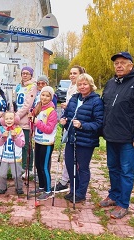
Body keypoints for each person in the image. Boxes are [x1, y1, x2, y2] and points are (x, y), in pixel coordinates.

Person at [100, 52, 134, 219]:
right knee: (113, 168)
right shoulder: (110, 84)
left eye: (122, 63)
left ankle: (123, 203)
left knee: (126, 171)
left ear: (131, 65)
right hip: (111, 136)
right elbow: (104, 107)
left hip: (129, 139)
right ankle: (114, 195)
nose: (119, 66)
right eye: (116, 63)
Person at [60, 73, 103, 204]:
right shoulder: (74, 98)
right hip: (71, 137)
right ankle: (73, 190)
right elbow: (67, 115)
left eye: (85, 84)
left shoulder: (96, 101)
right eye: (80, 84)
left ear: (91, 85)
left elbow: (99, 123)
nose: (82, 87)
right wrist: (64, 120)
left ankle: (81, 193)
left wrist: (82, 125)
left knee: (82, 167)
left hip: (86, 140)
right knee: (69, 164)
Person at [52, 65, 85, 193]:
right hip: (68, 123)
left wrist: (68, 106)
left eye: (75, 73)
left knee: (73, 154)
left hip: (77, 124)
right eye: (70, 73)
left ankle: (69, 179)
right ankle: (67, 178)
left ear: (80, 75)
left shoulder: (80, 88)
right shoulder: (70, 87)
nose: (72, 75)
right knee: (68, 153)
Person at [29, 86, 58, 200]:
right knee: (38, 165)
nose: (44, 98)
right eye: (42, 95)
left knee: (44, 166)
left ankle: (48, 190)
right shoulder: (38, 108)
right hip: (38, 141)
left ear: (51, 97)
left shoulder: (52, 111)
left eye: (47, 96)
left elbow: (49, 129)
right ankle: (41, 186)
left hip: (47, 143)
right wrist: (32, 119)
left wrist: (37, 122)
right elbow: (34, 123)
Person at [15, 66, 37, 178]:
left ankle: (29, 169)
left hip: (25, 120)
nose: (24, 75)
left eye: (27, 73)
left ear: (31, 75)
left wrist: (16, 116)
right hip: (18, 120)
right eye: (23, 73)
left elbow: (28, 104)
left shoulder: (33, 86)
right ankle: (21, 167)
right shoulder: (19, 86)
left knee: (27, 145)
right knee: (20, 144)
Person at [0, 112, 25, 195]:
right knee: (1, 174)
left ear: (15, 119)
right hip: (4, 156)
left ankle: (19, 187)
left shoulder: (19, 130)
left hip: (15, 157)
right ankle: (2, 187)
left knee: (16, 175)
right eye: (7, 119)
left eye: (11, 118)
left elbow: (22, 144)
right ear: (3, 120)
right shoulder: (1, 129)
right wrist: (2, 137)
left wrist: (15, 137)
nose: (9, 120)